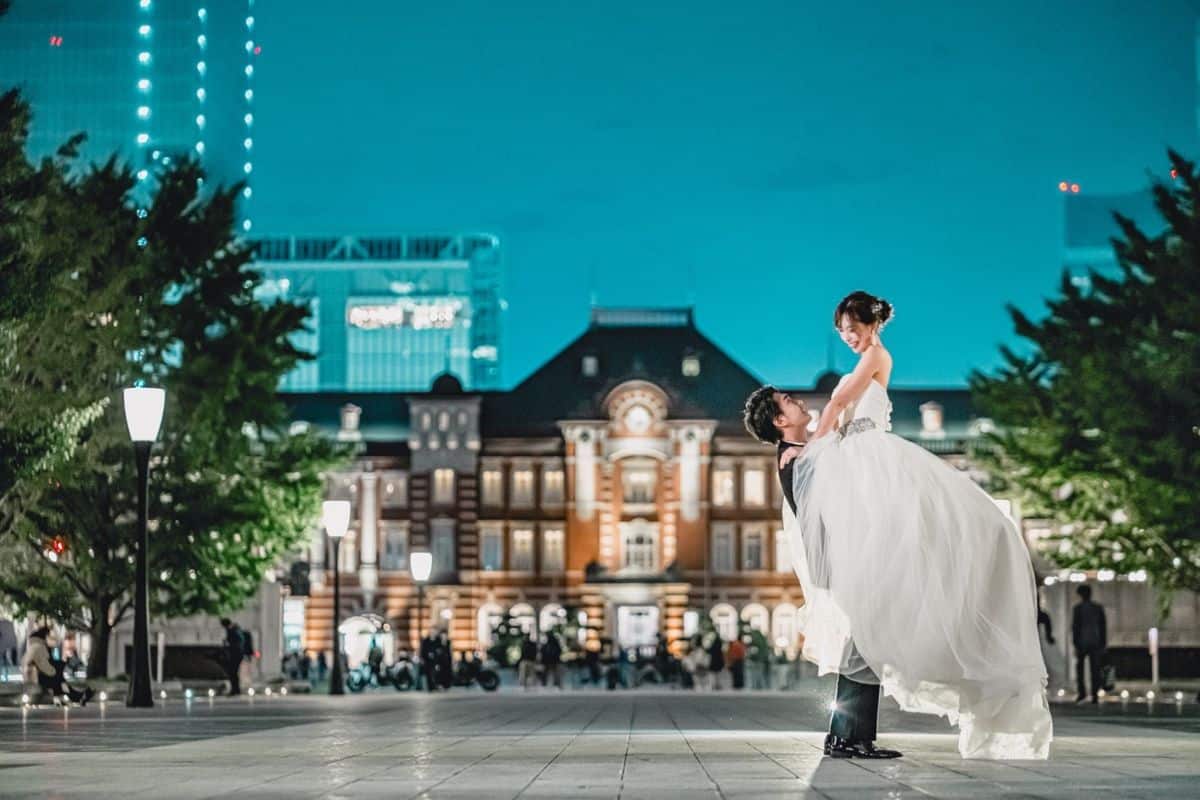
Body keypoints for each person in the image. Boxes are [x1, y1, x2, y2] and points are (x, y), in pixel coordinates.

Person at [747, 290, 1052, 760]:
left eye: (851, 328)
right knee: (866, 640)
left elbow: (840, 444)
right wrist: (826, 436)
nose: (847, 337)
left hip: (866, 511)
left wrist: (830, 437)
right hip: (853, 541)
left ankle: (847, 737)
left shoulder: (870, 364)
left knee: (867, 639)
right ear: (778, 421)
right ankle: (849, 737)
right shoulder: (797, 457)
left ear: (870, 324)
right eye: (842, 330)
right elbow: (828, 478)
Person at [22, 626, 94, 705]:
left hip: (36, 676)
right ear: (44, 637)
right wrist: (58, 668)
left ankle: (74, 696)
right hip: (38, 678)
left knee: (60, 679)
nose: (51, 639)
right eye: (49, 636)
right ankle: (77, 696)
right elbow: (46, 668)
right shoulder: (39, 647)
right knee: (59, 677)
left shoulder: (34, 646)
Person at [1072, 585, 1107, 704]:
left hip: (1083, 641)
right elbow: (1103, 627)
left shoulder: (1078, 608)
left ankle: (1082, 693)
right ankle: (1094, 694)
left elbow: (1075, 627)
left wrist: (1075, 643)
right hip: (1095, 641)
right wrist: (1103, 643)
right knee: (1094, 670)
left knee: (1080, 669)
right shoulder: (1097, 608)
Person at [219, 618, 245, 696]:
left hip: (236, 654)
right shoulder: (235, 629)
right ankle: (236, 689)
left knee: (232, 672)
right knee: (233, 672)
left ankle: (235, 690)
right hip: (237, 653)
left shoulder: (232, 630)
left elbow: (235, 642)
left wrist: (227, 644)